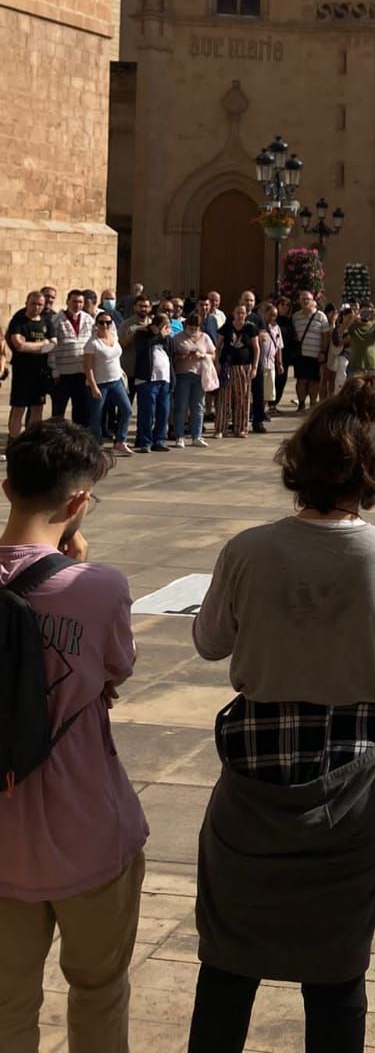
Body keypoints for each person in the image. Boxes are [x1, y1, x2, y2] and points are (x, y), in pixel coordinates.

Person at [188, 375, 375, 1053]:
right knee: (336, 971)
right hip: (352, 786)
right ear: (374, 473)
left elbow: (210, 643)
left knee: (228, 965)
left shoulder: (246, 550)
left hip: (252, 782)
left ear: (298, 466)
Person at [0, 420, 148, 1053]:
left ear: (8, 488)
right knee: (99, 989)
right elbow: (116, 669)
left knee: (6, 1008)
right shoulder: (100, 587)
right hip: (88, 825)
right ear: (79, 502)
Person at [6, 290, 56, 439]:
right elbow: (19, 345)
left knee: (37, 408)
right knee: (18, 408)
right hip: (22, 372)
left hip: (40, 372)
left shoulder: (47, 321)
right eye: (33, 303)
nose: (36, 307)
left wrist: (32, 346)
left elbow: (53, 344)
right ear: (27, 302)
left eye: (40, 304)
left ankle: (31, 440)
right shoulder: (19, 320)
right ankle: (13, 441)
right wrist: (42, 345)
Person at [83, 310, 132, 455]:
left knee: (127, 409)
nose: (105, 325)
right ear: (96, 324)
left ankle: (120, 441)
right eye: (101, 322)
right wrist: (93, 386)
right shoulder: (92, 343)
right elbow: (88, 367)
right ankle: (96, 445)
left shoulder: (114, 337)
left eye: (108, 322)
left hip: (116, 381)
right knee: (96, 415)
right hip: (100, 383)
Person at [214, 304, 259, 440]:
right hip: (227, 366)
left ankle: (241, 428)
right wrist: (217, 363)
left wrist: (255, 367)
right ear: (233, 313)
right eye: (238, 313)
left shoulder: (250, 328)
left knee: (243, 398)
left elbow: (256, 349)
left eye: (243, 313)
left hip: (244, 367)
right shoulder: (227, 327)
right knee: (224, 399)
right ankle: (220, 428)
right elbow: (217, 347)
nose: (240, 315)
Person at [49, 290, 94, 424]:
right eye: (74, 301)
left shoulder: (88, 319)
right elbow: (52, 347)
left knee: (81, 409)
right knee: (58, 410)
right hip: (63, 373)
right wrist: (54, 371)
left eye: (80, 302)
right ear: (67, 301)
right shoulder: (56, 319)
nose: (77, 305)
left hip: (82, 372)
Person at [172, 312, 216, 448]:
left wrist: (203, 355)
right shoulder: (178, 338)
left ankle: (196, 436)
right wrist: (185, 356)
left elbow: (213, 354)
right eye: (190, 328)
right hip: (183, 375)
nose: (193, 331)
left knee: (198, 406)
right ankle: (179, 436)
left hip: (199, 375)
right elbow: (173, 357)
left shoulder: (205, 337)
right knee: (181, 406)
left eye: (195, 328)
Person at [133, 310, 174, 453]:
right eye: (164, 326)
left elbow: (171, 358)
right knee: (147, 412)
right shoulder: (142, 334)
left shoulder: (167, 338)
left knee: (163, 411)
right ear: (155, 326)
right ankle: (144, 441)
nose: (167, 329)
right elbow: (142, 347)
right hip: (147, 380)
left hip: (164, 379)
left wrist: (172, 379)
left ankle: (159, 440)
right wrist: (158, 336)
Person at [291, 291, 328, 412]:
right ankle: (301, 404)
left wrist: (323, 351)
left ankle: (313, 404)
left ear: (313, 301)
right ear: (299, 301)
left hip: (315, 355)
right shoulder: (296, 317)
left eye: (308, 299)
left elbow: (325, 335)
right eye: (303, 299)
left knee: (314, 381)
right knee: (301, 380)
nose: (306, 301)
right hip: (301, 355)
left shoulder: (321, 316)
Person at [344, 303, 375, 381]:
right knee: (353, 391)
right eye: (364, 311)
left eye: (368, 312)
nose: (366, 314)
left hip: (371, 366)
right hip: (355, 366)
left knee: (370, 391)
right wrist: (356, 315)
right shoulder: (354, 326)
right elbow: (344, 328)